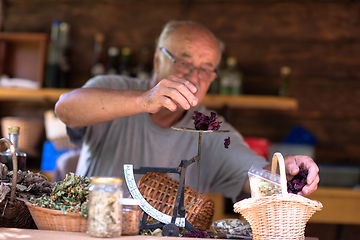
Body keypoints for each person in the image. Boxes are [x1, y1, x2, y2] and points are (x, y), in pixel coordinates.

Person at [55, 20, 319, 202]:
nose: (194, 76)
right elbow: (65, 109)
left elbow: (258, 179)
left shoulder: (210, 127)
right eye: (184, 62)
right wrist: (146, 99)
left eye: (206, 69)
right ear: (158, 61)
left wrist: (286, 171)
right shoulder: (112, 88)